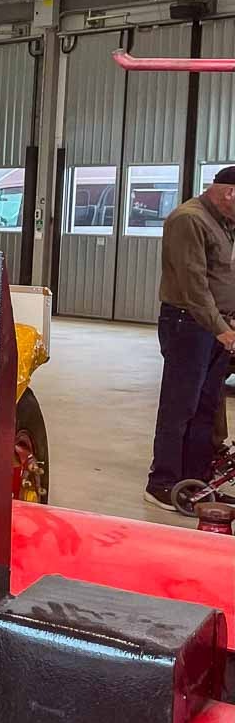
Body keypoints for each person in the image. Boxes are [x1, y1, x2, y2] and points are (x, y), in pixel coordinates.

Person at [145, 166, 235, 513]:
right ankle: (162, 483)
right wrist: (220, 328)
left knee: (206, 408)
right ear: (229, 193)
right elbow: (193, 285)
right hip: (189, 324)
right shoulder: (189, 220)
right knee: (179, 406)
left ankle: (196, 483)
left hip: (214, 326)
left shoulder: (224, 222)